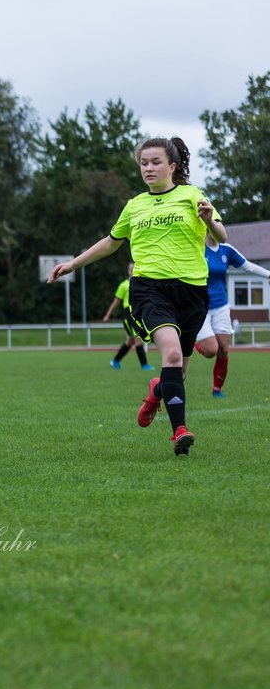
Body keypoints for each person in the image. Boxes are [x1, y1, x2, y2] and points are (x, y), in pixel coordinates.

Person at [48, 138, 224, 456]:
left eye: (155, 162)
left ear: (172, 166)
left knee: (178, 373)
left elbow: (221, 237)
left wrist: (209, 218)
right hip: (149, 289)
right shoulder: (135, 205)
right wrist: (73, 264)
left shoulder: (192, 195)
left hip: (192, 292)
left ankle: (156, 390)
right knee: (170, 355)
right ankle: (180, 431)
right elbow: (111, 242)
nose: (148, 168)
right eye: (143, 163)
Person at [194, 233, 270, 397]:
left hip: (221, 305)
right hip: (201, 307)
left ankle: (217, 389)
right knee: (210, 350)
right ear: (206, 228)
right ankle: (194, 343)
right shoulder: (197, 247)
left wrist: (268, 274)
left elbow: (248, 266)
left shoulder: (226, 250)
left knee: (224, 349)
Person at [102, 263, 153, 371]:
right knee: (138, 338)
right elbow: (115, 302)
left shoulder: (141, 284)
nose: (133, 270)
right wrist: (108, 315)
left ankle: (115, 361)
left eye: (134, 268)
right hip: (128, 314)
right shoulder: (124, 285)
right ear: (128, 271)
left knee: (130, 341)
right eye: (131, 269)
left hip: (136, 313)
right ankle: (144, 365)